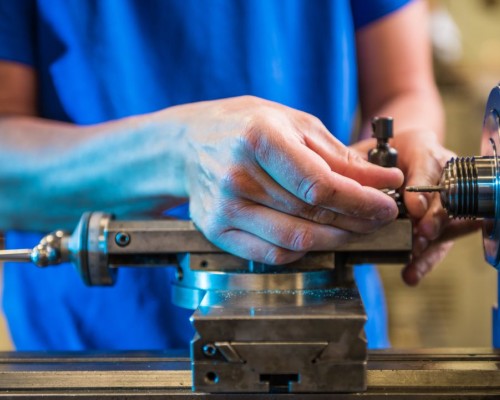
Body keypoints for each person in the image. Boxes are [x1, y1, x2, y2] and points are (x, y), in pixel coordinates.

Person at [0, 0, 473, 351]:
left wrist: (414, 154)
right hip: (97, 342)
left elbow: (403, 88)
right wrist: (177, 153)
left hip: (328, 327)